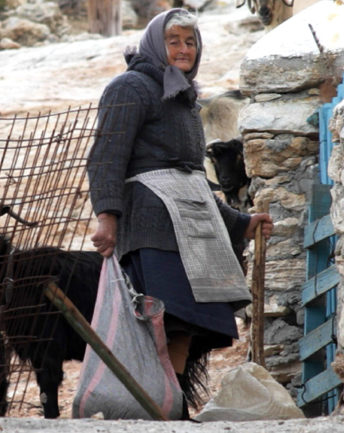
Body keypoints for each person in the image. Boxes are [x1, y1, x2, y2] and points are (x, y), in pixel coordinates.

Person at [86, 8, 274, 420]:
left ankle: (169, 408)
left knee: (189, 321)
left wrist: (240, 224)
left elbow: (193, 180)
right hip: (152, 225)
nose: (184, 49)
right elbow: (106, 158)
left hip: (191, 226)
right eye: (174, 41)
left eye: (190, 42)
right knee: (162, 319)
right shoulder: (130, 87)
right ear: (156, 44)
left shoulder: (186, 97)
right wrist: (107, 216)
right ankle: (151, 402)